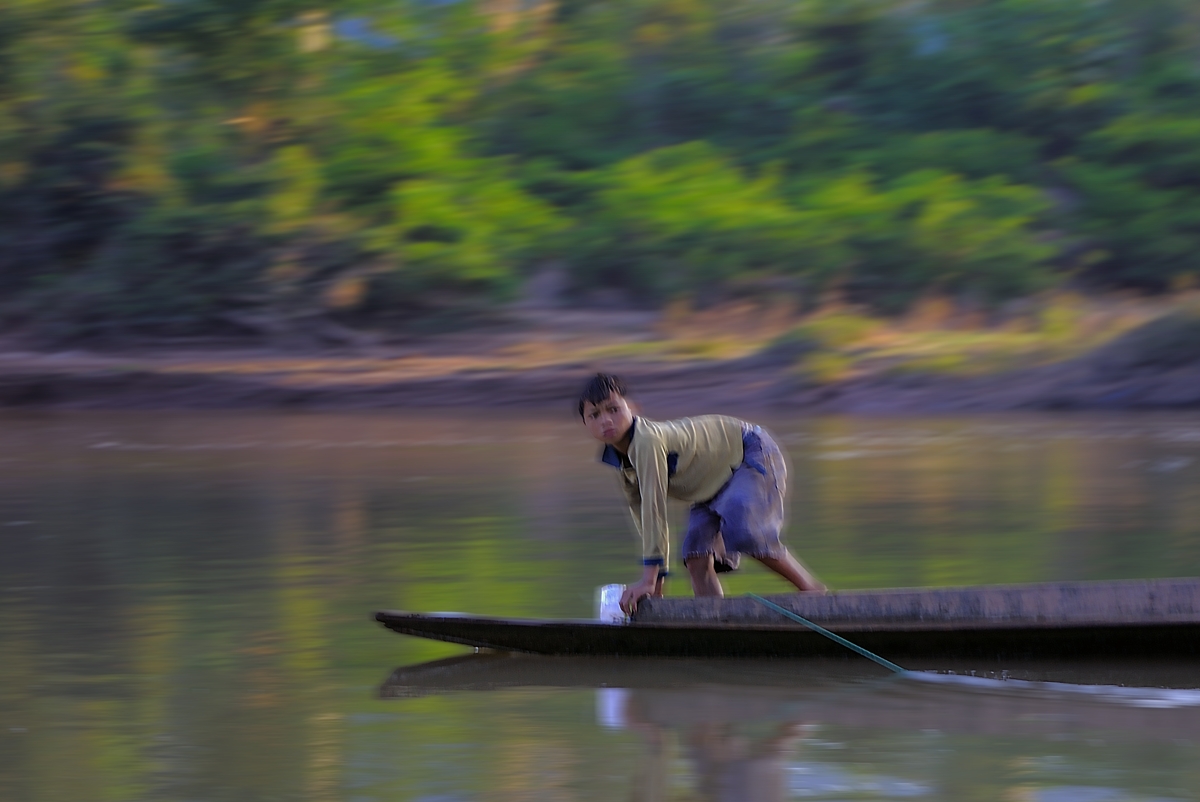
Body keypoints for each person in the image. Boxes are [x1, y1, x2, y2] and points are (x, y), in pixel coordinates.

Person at [578, 373, 825, 614]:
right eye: (595, 415)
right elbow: (645, 522)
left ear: (633, 409)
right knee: (696, 554)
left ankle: (812, 592)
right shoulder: (621, 462)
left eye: (614, 410)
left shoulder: (646, 442)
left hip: (748, 452)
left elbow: (655, 510)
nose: (606, 420)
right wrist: (655, 590)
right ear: (586, 423)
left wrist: (647, 581)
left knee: (744, 529)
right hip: (711, 483)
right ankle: (715, 620)